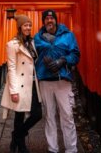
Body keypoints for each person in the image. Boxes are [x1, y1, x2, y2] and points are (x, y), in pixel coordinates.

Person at [34, 9, 80, 153]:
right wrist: (43, 62)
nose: (49, 21)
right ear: (43, 22)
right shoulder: (37, 37)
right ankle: (52, 149)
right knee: (49, 116)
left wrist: (63, 60)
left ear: (56, 20)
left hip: (63, 80)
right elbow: (32, 56)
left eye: (51, 18)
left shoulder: (68, 35)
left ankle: (71, 149)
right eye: (46, 19)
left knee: (67, 115)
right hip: (45, 81)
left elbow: (75, 54)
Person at [0, 14, 42, 153]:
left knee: (37, 114)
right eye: (25, 25)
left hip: (33, 82)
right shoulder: (12, 44)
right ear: (20, 27)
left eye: (29, 25)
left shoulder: (31, 42)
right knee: (19, 115)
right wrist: (13, 90)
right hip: (20, 84)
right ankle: (21, 145)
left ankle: (16, 135)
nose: (28, 27)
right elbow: (11, 68)